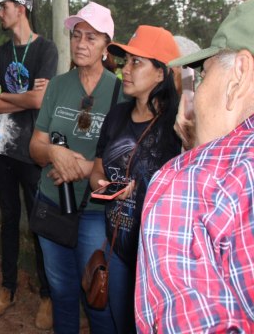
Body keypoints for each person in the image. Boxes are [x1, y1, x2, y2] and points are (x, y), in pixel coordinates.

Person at [135, 0, 254, 333]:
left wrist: (198, 158)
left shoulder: (190, 183)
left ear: (239, 76)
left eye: (203, 74)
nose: (196, 92)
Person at [29, 1, 122, 334]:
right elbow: (35, 147)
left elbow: (126, 159)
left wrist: (82, 168)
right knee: (62, 293)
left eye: (92, 38)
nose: (81, 44)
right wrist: (56, 153)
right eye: (77, 35)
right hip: (53, 202)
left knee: (97, 297)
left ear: (106, 47)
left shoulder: (120, 92)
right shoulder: (57, 86)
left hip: (96, 210)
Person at [88, 25, 182, 333]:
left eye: (136, 62)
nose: (125, 70)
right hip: (117, 245)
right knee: (116, 318)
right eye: (125, 61)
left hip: (156, 257)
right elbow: (98, 170)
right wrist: (102, 186)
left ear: (160, 73)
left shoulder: (180, 126)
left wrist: (141, 193)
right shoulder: (116, 115)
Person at [0, 0, 58, 329]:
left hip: (34, 152)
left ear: (21, 8)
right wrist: (24, 96)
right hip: (3, 151)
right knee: (9, 222)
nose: (0, 12)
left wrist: (13, 99)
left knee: (39, 225)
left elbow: (42, 102)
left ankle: (47, 296)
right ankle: (7, 288)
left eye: (4, 6)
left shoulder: (46, 50)